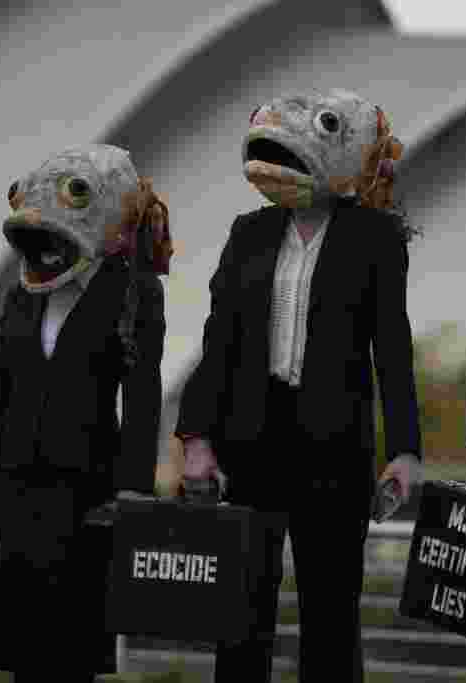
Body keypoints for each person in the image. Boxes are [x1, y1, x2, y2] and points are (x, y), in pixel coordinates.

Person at [174, 89, 422, 683]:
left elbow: (391, 349)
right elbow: (219, 343)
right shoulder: (248, 234)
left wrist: (406, 450)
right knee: (240, 617)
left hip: (336, 451)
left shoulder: (376, 238)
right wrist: (196, 439)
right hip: (253, 442)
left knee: (332, 622)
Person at [0, 144, 170, 682]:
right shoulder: (21, 296)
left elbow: (143, 394)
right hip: (13, 491)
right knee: (19, 649)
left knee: (73, 649)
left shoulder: (134, 293)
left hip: (86, 499)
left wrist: (133, 491)